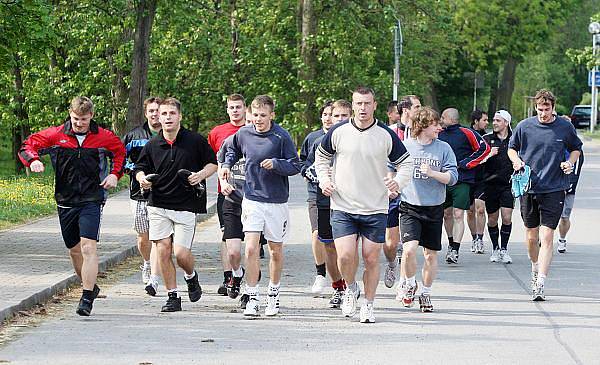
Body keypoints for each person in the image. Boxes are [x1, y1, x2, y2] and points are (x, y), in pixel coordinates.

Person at [18, 96, 126, 316]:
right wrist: (33, 160)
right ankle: (91, 286)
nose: (79, 123)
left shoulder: (103, 136)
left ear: (91, 116)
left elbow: (121, 153)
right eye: (76, 118)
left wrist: (115, 175)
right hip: (66, 200)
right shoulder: (56, 135)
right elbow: (27, 146)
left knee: (88, 247)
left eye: (84, 119)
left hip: (91, 199)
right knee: (74, 250)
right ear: (70, 114)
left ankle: (86, 297)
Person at [315, 86, 412, 323]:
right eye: (358, 103)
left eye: (367, 103)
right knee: (346, 256)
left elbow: (406, 164)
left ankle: (368, 304)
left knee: (370, 258)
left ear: (375, 105)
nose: (363, 108)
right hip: (343, 205)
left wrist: (397, 182)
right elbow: (321, 157)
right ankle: (350, 289)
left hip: (375, 207)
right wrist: (325, 179)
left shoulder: (385, 135)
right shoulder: (338, 131)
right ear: (353, 105)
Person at [221, 95, 301, 317]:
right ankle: (252, 296)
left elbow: (295, 165)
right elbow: (231, 150)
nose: (258, 119)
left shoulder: (281, 136)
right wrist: (227, 165)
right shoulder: (244, 133)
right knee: (250, 248)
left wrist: (276, 164)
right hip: (252, 198)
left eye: (263, 115)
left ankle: (273, 295)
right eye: (255, 115)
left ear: (272, 115)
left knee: (275, 250)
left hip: (276, 201)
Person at [135, 97, 217, 312]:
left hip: (186, 205)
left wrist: (200, 175)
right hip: (158, 204)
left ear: (180, 116)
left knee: (181, 255)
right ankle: (173, 296)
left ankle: (191, 276)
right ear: (158, 118)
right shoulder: (153, 144)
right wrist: (142, 178)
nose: (168, 117)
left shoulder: (195, 141)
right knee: (162, 250)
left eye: (172, 113)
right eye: (164, 114)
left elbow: (212, 164)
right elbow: (139, 168)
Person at [508, 89, 582, 301]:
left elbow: (576, 149)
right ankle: (534, 266)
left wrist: (570, 162)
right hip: (529, 187)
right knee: (531, 236)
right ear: (535, 107)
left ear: (553, 107)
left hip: (554, 187)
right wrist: (516, 160)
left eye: (547, 109)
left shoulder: (564, 127)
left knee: (547, 235)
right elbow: (512, 148)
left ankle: (540, 281)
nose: (543, 113)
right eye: (540, 109)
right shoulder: (525, 126)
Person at [397, 107, 458, 312]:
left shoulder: (444, 149)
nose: (439, 128)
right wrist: (391, 183)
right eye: (435, 125)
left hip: (433, 207)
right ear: (422, 126)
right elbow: (390, 168)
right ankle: (409, 283)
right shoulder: (405, 147)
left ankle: (425, 292)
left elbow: (452, 178)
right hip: (409, 207)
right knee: (409, 250)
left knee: (430, 255)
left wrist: (433, 173)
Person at [306, 99, 352, 308]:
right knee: (330, 247)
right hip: (324, 200)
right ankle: (338, 287)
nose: (340, 120)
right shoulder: (318, 141)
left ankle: (350, 287)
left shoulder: (357, 139)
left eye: (344, 116)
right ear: (329, 118)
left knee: (348, 250)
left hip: (352, 201)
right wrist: (321, 178)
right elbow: (306, 166)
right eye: (336, 116)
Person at [122, 96, 162, 296]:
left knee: (160, 236)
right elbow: (120, 158)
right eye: (151, 111)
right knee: (142, 234)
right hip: (139, 193)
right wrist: (135, 172)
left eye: (158, 110)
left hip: (164, 192)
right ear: (146, 113)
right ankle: (146, 262)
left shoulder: (171, 134)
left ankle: (154, 273)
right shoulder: (134, 136)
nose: (155, 114)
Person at [438, 108, 490, 264]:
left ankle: (455, 249)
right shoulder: (438, 133)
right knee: (446, 214)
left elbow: (484, 148)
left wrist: (467, 163)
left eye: (442, 117)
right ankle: (450, 241)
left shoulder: (467, 133)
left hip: (462, 180)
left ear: (450, 119)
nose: (440, 120)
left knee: (459, 214)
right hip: (443, 180)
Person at [208, 94, 247, 296]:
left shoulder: (253, 130)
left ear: (245, 109)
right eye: (231, 107)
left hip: (253, 194)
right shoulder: (217, 132)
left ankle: (247, 278)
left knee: (250, 240)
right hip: (227, 192)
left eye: (238, 107)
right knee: (227, 238)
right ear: (227, 109)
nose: (235, 111)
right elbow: (213, 161)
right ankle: (228, 276)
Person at [383, 95, 421, 291]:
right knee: (390, 243)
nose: (420, 110)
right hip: (393, 191)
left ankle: (406, 283)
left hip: (413, 194)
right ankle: (391, 264)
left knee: (408, 245)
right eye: (417, 106)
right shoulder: (389, 132)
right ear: (406, 110)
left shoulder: (420, 133)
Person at [299, 101, 333, 296]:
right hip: (316, 193)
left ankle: (341, 278)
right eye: (325, 114)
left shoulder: (343, 137)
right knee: (317, 232)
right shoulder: (313, 138)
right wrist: (308, 172)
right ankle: (320, 273)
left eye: (332, 114)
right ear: (321, 117)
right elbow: (302, 161)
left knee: (336, 241)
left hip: (341, 196)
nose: (328, 118)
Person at [482, 110, 515, 264]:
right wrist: (488, 155)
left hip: (508, 184)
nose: (494, 123)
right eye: (493, 120)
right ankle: (495, 247)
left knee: (507, 217)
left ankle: (504, 249)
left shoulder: (515, 139)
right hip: (491, 184)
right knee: (493, 219)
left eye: (498, 120)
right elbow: (477, 161)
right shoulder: (487, 139)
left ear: (506, 123)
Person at [466, 109, 489, 254]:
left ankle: (480, 239)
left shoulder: (488, 137)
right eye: (484, 120)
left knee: (480, 209)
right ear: (476, 121)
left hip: (482, 178)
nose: (487, 123)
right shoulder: (467, 135)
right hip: (469, 177)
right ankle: (474, 238)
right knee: (470, 211)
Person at [557, 150, 584, 253]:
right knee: (545, 215)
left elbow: (575, 173)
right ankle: (541, 239)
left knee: (564, 217)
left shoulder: (576, 151)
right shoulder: (554, 143)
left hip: (568, 188)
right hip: (551, 187)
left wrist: (568, 187)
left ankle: (562, 239)